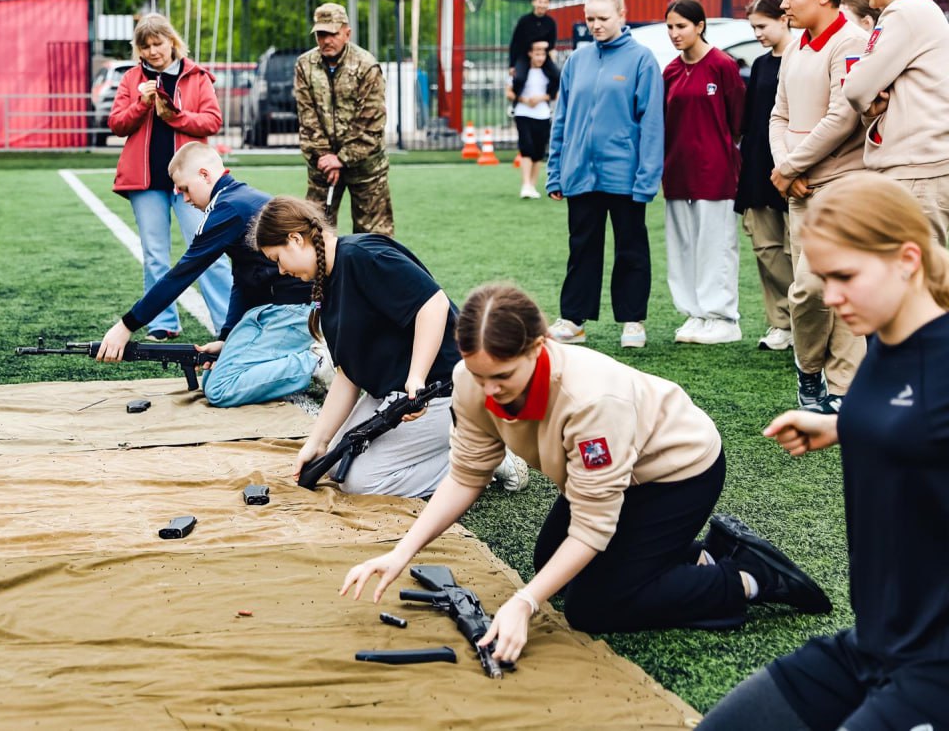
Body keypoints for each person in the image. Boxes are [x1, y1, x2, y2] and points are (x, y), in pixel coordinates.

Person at [340, 282, 831, 664]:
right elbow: (467, 475)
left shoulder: (591, 400)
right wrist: (401, 552)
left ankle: (748, 577)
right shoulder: (471, 380)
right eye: (480, 375)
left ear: (538, 347)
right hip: (610, 476)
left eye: (504, 377)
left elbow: (593, 528)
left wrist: (524, 603)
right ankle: (699, 556)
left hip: (676, 472)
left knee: (594, 606)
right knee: (551, 564)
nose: (490, 390)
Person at [699, 173, 949, 731]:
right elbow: (912, 419)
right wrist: (842, 426)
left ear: (907, 260)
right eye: (824, 276)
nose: (831, 297)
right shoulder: (885, 341)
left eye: (845, 277)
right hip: (873, 644)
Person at [250, 196, 526, 497]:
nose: (280, 270)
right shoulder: (326, 282)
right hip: (396, 396)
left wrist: (417, 378)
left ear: (295, 239)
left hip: (447, 389)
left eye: (277, 259)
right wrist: (318, 442)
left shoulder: (362, 255)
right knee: (334, 462)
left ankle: (485, 454)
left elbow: (433, 304)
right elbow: (348, 374)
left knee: (361, 483)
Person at [96, 143, 323, 407]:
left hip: (297, 311)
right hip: (285, 307)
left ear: (204, 175)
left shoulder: (228, 208)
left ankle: (318, 363)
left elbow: (181, 274)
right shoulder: (236, 198)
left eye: (184, 189)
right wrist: (226, 337)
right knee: (211, 375)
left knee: (219, 389)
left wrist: (127, 325)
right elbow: (243, 279)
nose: (185, 199)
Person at [770, 0, 868, 414]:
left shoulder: (852, 43)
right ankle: (812, 373)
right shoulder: (794, 47)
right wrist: (787, 167)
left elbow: (842, 117)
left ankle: (843, 389)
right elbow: (778, 115)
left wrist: (790, 167)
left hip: (843, 186)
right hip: (800, 188)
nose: (783, 4)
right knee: (809, 290)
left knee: (820, 286)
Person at [546, 0, 664, 349]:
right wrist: (555, 171)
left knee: (631, 249)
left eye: (602, 18)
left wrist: (647, 178)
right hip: (580, 175)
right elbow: (562, 119)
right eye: (590, 19)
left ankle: (633, 321)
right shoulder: (576, 61)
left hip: (625, 177)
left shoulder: (642, 60)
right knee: (582, 247)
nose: (595, 25)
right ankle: (574, 320)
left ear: (622, 17)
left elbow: (652, 124)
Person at [109, 13, 233, 340]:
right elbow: (117, 124)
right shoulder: (131, 79)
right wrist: (141, 104)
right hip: (146, 181)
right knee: (154, 255)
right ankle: (163, 323)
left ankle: (229, 324)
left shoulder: (197, 76)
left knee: (208, 249)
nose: (152, 51)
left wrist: (176, 116)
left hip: (192, 182)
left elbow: (212, 121)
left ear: (172, 42)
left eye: (158, 43)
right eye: (145, 46)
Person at [844, 0, 949, 246]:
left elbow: (855, 87)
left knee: (912, 269)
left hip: (915, 168)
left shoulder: (903, 11)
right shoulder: (924, 10)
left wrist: (867, 101)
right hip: (923, 165)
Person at [662, 0, 746, 345]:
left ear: (700, 26)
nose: (674, 33)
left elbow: (738, 120)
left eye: (681, 26)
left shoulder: (722, 65)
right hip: (677, 171)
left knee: (716, 245)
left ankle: (722, 318)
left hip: (716, 172)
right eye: (670, 27)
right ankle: (694, 313)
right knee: (682, 246)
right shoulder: (670, 71)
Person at [294, 3, 394, 236]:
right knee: (314, 233)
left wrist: (341, 159)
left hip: (366, 166)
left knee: (374, 237)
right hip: (322, 165)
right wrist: (325, 157)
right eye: (321, 34)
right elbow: (307, 117)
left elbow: (371, 121)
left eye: (333, 34)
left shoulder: (366, 66)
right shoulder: (305, 65)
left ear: (347, 33)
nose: (326, 40)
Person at [737, 0, 794, 352]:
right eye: (753, 27)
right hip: (758, 168)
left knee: (795, 250)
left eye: (762, 26)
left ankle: (805, 320)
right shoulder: (759, 64)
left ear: (784, 19)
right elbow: (750, 123)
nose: (757, 33)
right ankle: (781, 323)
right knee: (765, 248)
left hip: (793, 168)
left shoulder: (802, 57)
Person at [507, 40, 560, 199]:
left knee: (538, 151)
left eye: (543, 54)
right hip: (523, 113)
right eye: (537, 54)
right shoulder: (519, 72)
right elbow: (509, 92)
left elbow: (556, 94)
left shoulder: (549, 73)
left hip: (543, 114)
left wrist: (541, 98)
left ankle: (532, 185)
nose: (540, 57)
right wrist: (524, 100)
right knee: (526, 148)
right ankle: (525, 184)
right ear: (530, 53)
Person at [507, 0, 558, 71]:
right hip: (524, 55)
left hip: (544, 57)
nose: (542, 5)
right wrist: (512, 65)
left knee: (556, 75)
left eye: (545, 2)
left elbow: (552, 43)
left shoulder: (551, 22)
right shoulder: (524, 20)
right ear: (534, 2)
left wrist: (546, 45)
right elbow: (515, 43)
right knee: (519, 77)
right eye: (540, 2)